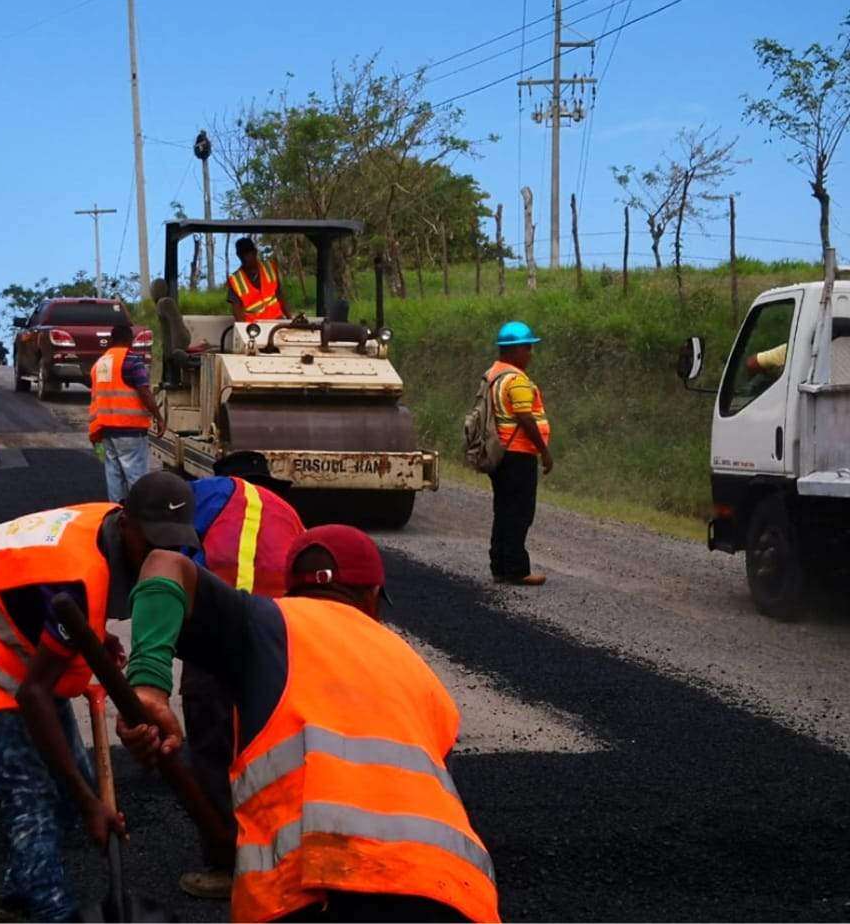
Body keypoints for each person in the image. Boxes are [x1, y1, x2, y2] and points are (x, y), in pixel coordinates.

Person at [117, 525, 499, 923]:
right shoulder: (425, 678)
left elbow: (163, 564)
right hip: (454, 893)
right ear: (372, 599)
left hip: (315, 890)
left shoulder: (269, 622)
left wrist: (148, 688)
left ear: (291, 592)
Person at [0, 472, 202, 923]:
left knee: (74, 782)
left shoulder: (107, 528)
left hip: (16, 644)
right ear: (126, 521)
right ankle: (52, 912)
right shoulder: (77, 577)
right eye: (152, 540)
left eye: (173, 541)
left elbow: (41, 597)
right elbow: (34, 695)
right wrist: (91, 805)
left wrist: (88, 636)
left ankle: (17, 893)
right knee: (35, 794)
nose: (158, 553)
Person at [177, 473, 306, 900]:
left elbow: (173, 573)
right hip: (281, 632)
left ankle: (227, 865)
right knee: (273, 741)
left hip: (222, 629)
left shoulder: (199, 497)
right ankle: (288, 853)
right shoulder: (287, 512)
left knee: (213, 741)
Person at [485, 321, 552, 587]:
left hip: (502, 455)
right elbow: (525, 417)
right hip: (518, 454)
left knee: (503, 510)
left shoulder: (493, 373)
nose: (530, 354)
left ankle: (500, 565)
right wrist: (544, 451)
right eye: (527, 348)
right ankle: (516, 569)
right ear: (513, 350)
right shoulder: (516, 379)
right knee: (520, 513)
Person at [88, 323, 164, 502]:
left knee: (114, 475)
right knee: (135, 477)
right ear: (129, 340)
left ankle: (116, 513)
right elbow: (144, 391)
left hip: (106, 429)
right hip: (130, 429)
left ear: (112, 341)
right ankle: (137, 516)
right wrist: (158, 417)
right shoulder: (132, 361)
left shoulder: (100, 364)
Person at [227, 237, 289, 323]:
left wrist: (290, 319)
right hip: (254, 328)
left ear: (255, 252)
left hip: (277, 322)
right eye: (242, 255)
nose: (245, 258)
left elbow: (279, 294)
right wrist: (244, 330)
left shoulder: (270, 268)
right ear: (238, 255)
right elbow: (237, 311)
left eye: (248, 253)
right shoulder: (235, 280)